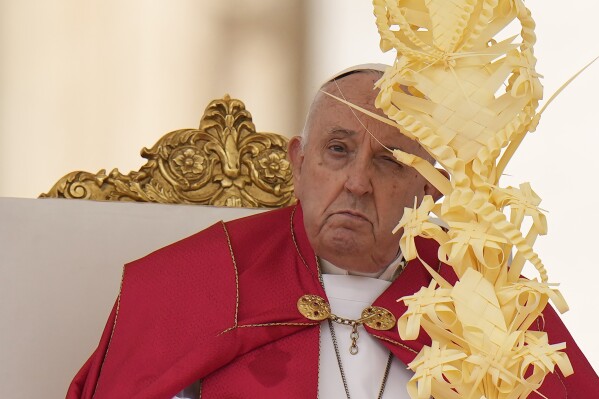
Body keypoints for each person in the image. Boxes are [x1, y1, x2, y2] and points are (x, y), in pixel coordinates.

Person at [67, 66, 598, 399]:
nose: (358, 182)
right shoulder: (198, 281)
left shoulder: (489, 306)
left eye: (390, 161)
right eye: (338, 150)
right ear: (299, 164)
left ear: (432, 188)